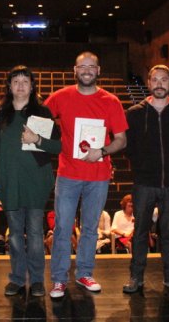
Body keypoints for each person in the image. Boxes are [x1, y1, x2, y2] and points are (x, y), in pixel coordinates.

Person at [44, 51, 128, 298]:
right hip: (68, 174)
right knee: (62, 228)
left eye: (92, 66)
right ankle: (59, 279)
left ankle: (84, 273)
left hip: (99, 175)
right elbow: (38, 119)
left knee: (90, 228)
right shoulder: (60, 97)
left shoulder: (111, 101)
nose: (87, 70)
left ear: (98, 70)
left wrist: (101, 151)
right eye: (83, 66)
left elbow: (121, 140)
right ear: (75, 70)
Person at [122, 64, 169, 294]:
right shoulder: (135, 113)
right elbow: (128, 147)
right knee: (140, 231)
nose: (159, 83)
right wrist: (142, 166)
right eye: (155, 79)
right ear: (149, 83)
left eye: (164, 79)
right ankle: (136, 277)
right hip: (143, 183)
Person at [0, 65, 61, 297]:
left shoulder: (42, 113)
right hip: (8, 181)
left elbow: (58, 146)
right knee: (14, 234)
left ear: (32, 86)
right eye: (16, 81)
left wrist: (38, 139)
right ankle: (17, 279)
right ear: (9, 87)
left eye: (25, 81)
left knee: (34, 234)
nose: (21, 86)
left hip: (36, 182)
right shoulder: (0, 115)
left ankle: (37, 280)